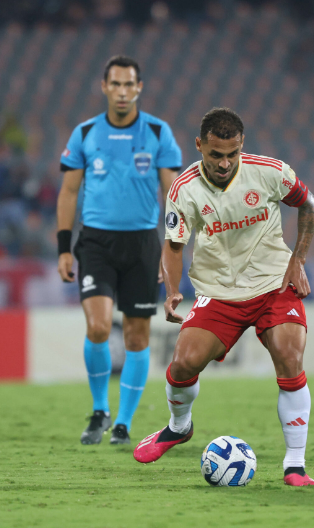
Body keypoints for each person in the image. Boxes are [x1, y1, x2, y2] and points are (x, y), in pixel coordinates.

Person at [133, 108, 314, 487]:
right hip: (219, 291)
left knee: (289, 356)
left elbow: (308, 204)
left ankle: (295, 465)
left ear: (241, 146)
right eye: (215, 154)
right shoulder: (184, 188)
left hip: (273, 284)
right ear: (200, 145)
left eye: (232, 154)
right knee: (184, 362)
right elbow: (172, 244)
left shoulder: (269, 171)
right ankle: (178, 427)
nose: (224, 163)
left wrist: (298, 260)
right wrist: (171, 291)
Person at [57, 55, 182, 445]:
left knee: (137, 336)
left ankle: (124, 423)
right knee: (97, 326)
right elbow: (69, 191)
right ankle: (99, 410)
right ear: (104, 87)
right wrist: (64, 247)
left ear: (139, 88)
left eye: (130, 85)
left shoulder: (159, 133)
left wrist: (170, 249)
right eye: (116, 85)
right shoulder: (85, 133)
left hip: (143, 243)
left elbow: (174, 195)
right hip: (95, 241)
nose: (123, 92)